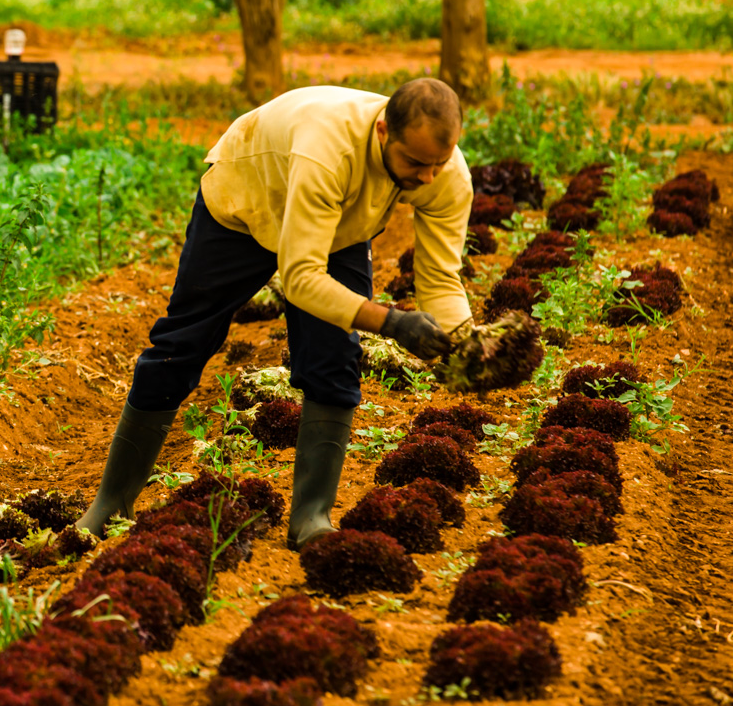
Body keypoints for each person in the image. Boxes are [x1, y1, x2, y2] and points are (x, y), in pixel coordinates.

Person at [76, 78, 474, 549]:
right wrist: (391, 322)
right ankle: (111, 502)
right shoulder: (329, 149)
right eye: (414, 163)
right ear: (384, 130)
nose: (427, 177)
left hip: (336, 226)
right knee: (182, 345)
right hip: (246, 202)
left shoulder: (442, 172)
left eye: (438, 164)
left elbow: (441, 280)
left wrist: (465, 343)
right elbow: (302, 280)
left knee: (334, 358)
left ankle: (312, 517)